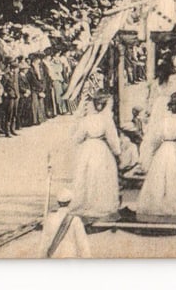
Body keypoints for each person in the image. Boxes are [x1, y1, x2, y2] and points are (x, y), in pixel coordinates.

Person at [138, 92, 176, 223]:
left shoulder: (163, 122)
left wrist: (152, 153)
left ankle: (158, 208)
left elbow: (155, 139)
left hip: (164, 150)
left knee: (161, 179)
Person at [69, 92, 121, 220]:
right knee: (101, 176)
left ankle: (85, 204)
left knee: (86, 176)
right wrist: (117, 152)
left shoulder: (86, 120)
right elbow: (113, 139)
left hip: (87, 149)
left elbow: (77, 138)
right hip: (101, 149)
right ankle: (100, 205)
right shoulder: (106, 120)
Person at [39, 189, 91, 259]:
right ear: (70, 202)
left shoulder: (49, 219)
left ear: (58, 202)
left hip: (54, 257)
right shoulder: (75, 220)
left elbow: (44, 243)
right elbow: (83, 244)